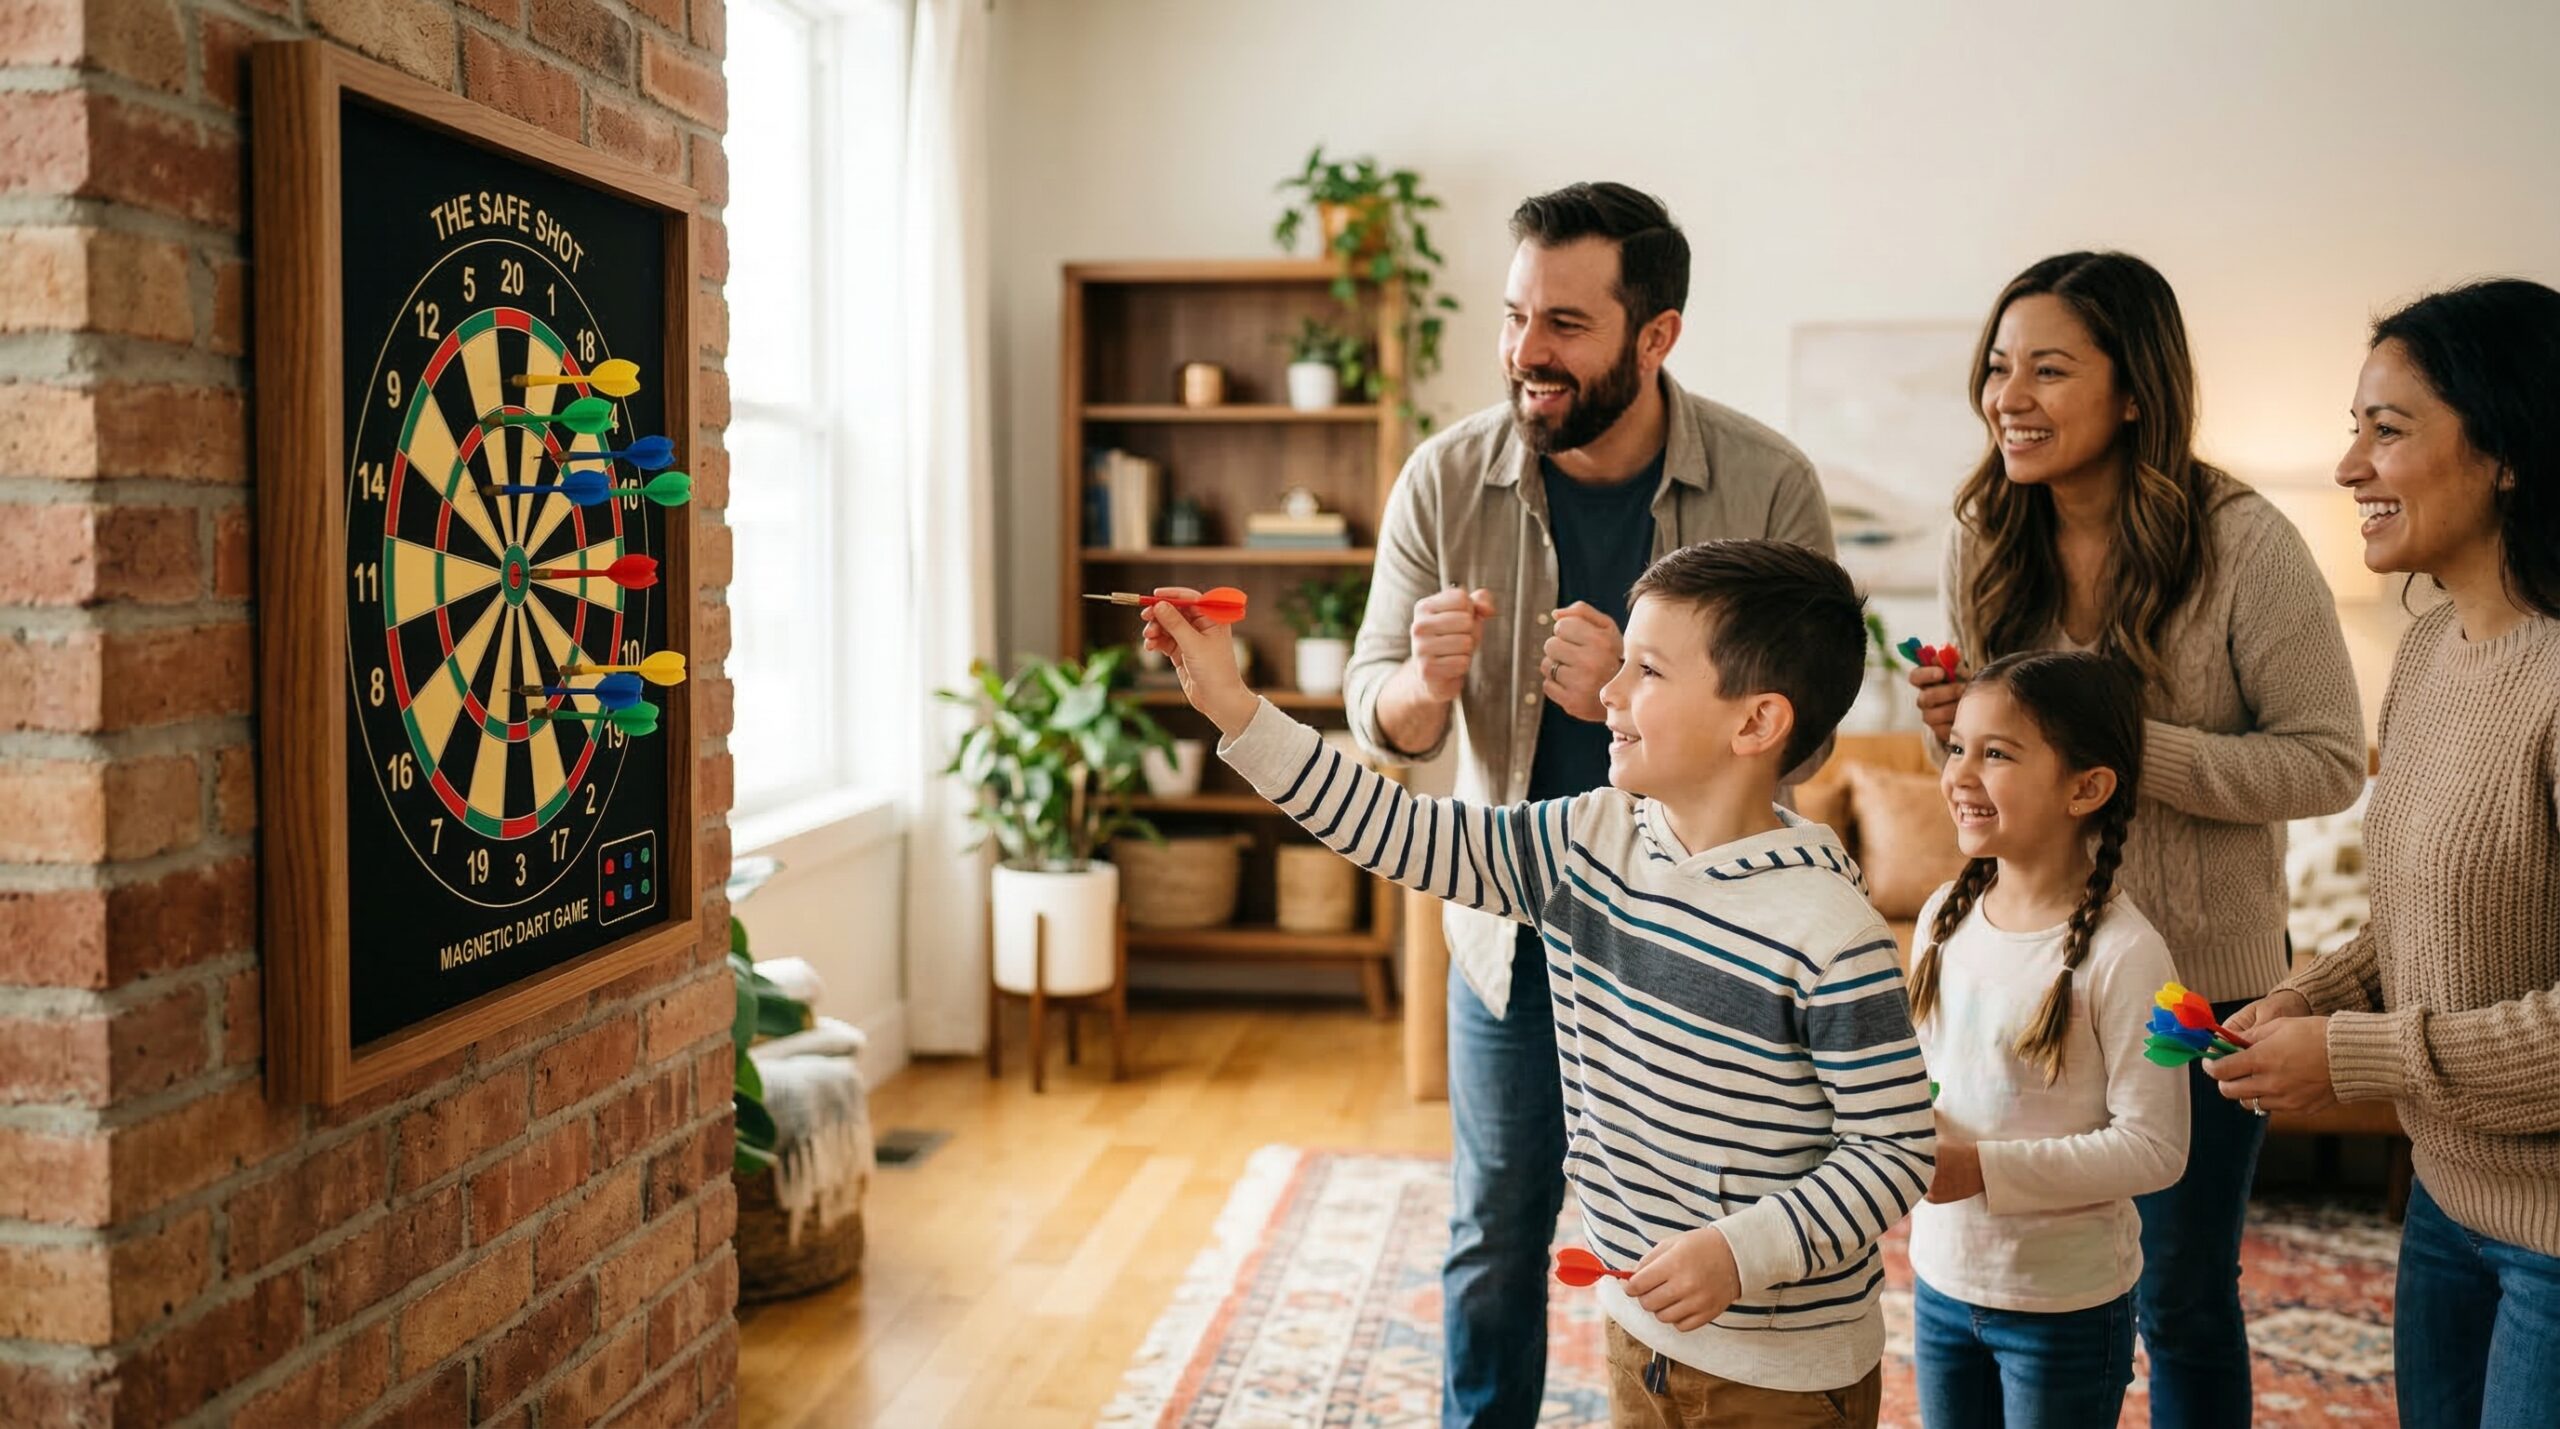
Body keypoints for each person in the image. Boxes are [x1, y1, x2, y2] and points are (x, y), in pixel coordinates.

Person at [1148, 540, 1931, 1429]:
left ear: (1755, 724)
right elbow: (1397, 828)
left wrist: (1741, 1253)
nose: (1609, 691)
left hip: (1786, 1374)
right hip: (1637, 1330)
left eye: (1647, 670)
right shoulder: (1585, 841)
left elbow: (1896, 1149)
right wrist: (1235, 707)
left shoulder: (1830, 933)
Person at [1343, 181, 1835, 1428]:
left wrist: (1631, 688)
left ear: (1654, 335)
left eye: (1563, 324)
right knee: (1493, 1228)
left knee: (1705, 1235)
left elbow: (1809, 731)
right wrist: (1418, 682)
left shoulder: (1769, 485)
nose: (1524, 353)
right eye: (1514, 317)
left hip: (1708, 935)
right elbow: (1371, 712)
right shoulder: (1443, 478)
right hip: (1515, 935)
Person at [1908, 251, 2363, 1425]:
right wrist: (1961, 740)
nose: (2009, 394)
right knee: (2009, 1258)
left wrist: (2118, 745)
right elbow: (1994, 782)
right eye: (1998, 367)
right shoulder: (1982, 542)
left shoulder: (2245, 543)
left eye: (2048, 369)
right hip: (2026, 969)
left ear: (2132, 390)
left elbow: (2321, 759)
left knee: (2181, 1290)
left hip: (2194, 991)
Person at [2206, 278, 2560, 1429]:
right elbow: (2411, 924)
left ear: (2507, 449)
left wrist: (2353, 1055)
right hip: (2448, 1215)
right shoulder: (2423, 658)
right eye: (2352, 429)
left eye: (2387, 429)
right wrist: (2301, 995)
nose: (2350, 467)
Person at [1906, 651, 2190, 1427]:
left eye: (1996, 753)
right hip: (1939, 1281)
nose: (1961, 772)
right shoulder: (1941, 916)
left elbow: (2156, 1149)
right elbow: (1927, 1078)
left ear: (2087, 787)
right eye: (1958, 745)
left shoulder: (2132, 957)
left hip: (2063, 1307)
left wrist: (1980, 1169)